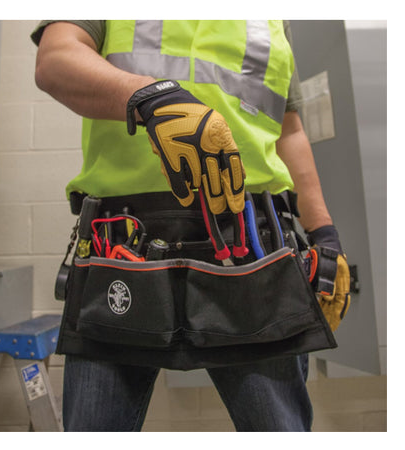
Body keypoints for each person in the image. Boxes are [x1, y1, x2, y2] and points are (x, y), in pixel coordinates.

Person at [31, 20, 350, 432]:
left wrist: (324, 234)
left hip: (254, 252)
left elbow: (289, 130)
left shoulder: (273, 18)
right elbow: (55, 60)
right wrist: (151, 96)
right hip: (123, 249)